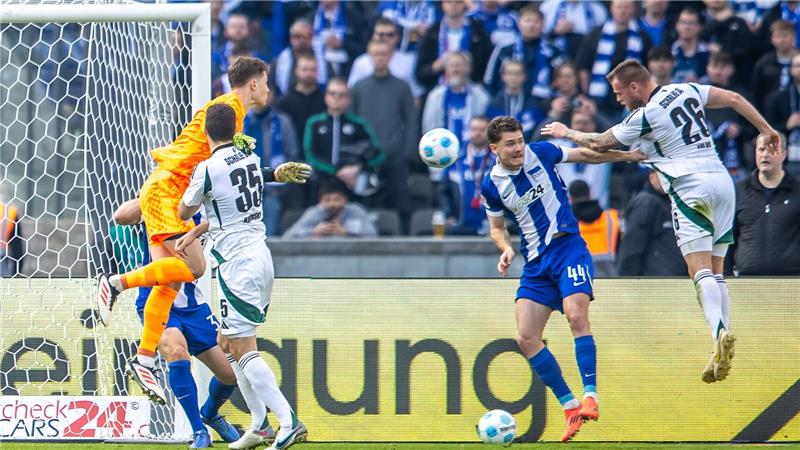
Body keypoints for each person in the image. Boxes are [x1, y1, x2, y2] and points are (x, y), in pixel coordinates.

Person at [541, 59, 782, 383]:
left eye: (619, 93)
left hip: (690, 186)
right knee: (717, 270)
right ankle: (719, 337)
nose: (618, 100)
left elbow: (598, 143)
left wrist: (565, 132)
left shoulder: (645, 116)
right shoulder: (686, 89)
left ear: (635, 87)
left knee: (699, 270)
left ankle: (720, 332)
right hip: (723, 182)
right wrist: (766, 129)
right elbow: (735, 99)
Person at [95, 57, 309, 404]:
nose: (269, 90)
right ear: (254, 84)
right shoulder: (229, 111)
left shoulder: (228, 112)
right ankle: (115, 282)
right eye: (267, 82)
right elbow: (226, 170)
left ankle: (144, 358)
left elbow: (224, 170)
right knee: (195, 267)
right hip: (170, 192)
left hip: (166, 188)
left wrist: (272, 174)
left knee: (170, 281)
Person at [483, 116, 644, 443]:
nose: (518, 148)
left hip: (568, 248)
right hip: (536, 263)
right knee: (526, 337)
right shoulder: (491, 184)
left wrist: (627, 156)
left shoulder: (541, 152)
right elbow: (496, 228)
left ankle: (591, 396)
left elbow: (586, 154)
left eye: (519, 141)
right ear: (494, 148)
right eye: (510, 144)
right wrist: (505, 248)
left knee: (575, 316)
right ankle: (570, 406)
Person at [177, 103, 310, 450]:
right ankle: (259, 425)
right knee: (226, 343)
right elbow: (229, 208)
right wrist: (197, 232)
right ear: (234, 131)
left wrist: (189, 195)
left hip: (237, 264)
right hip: (258, 255)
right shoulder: (250, 158)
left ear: (205, 132)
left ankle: (288, 421)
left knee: (243, 347)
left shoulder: (207, 168)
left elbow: (184, 210)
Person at [110, 203, 244, 449]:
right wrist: (152, 192)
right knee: (176, 351)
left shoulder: (209, 203)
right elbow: (120, 216)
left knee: (230, 374)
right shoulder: (162, 202)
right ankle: (198, 430)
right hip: (157, 300)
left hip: (194, 305)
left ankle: (210, 414)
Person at [304, 78, 385, 202]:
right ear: (326, 97)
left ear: (348, 99)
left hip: (352, 182)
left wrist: (358, 167)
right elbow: (309, 154)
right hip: (322, 183)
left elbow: (379, 154)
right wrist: (336, 171)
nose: (336, 98)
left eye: (342, 95)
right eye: (333, 94)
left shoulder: (359, 124)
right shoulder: (314, 123)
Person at [729, 134, 800, 275]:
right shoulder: (738, 191)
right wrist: (725, 276)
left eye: (772, 150)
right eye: (761, 149)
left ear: (784, 154)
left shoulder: (797, 191)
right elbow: (728, 240)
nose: (765, 155)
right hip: (746, 280)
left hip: (792, 281)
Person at [617, 171, 688, 276]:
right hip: (655, 280)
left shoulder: (680, 203)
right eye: (662, 174)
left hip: (680, 278)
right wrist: (628, 282)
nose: (667, 179)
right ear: (651, 177)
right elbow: (631, 249)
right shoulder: (646, 203)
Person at [439, 117, 495, 235]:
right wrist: (448, 214)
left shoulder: (498, 160)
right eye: (474, 129)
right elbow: (444, 190)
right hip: (459, 227)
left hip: (490, 229)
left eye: (482, 130)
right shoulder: (455, 159)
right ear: (468, 131)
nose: (478, 133)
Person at [283, 178, 378, 239]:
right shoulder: (314, 212)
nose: (332, 204)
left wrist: (346, 233)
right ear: (320, 201)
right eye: (327, 200)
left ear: (345, 200)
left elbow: (373, 237)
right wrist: (313, 232)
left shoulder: (356, 211)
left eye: (336, 199)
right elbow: (288, 236)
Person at [567, 180, 620, 277]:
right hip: (609, 277)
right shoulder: (611, 218)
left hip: (578, 278)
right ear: (590, 194)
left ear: (570, 198)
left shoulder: (566, 223)